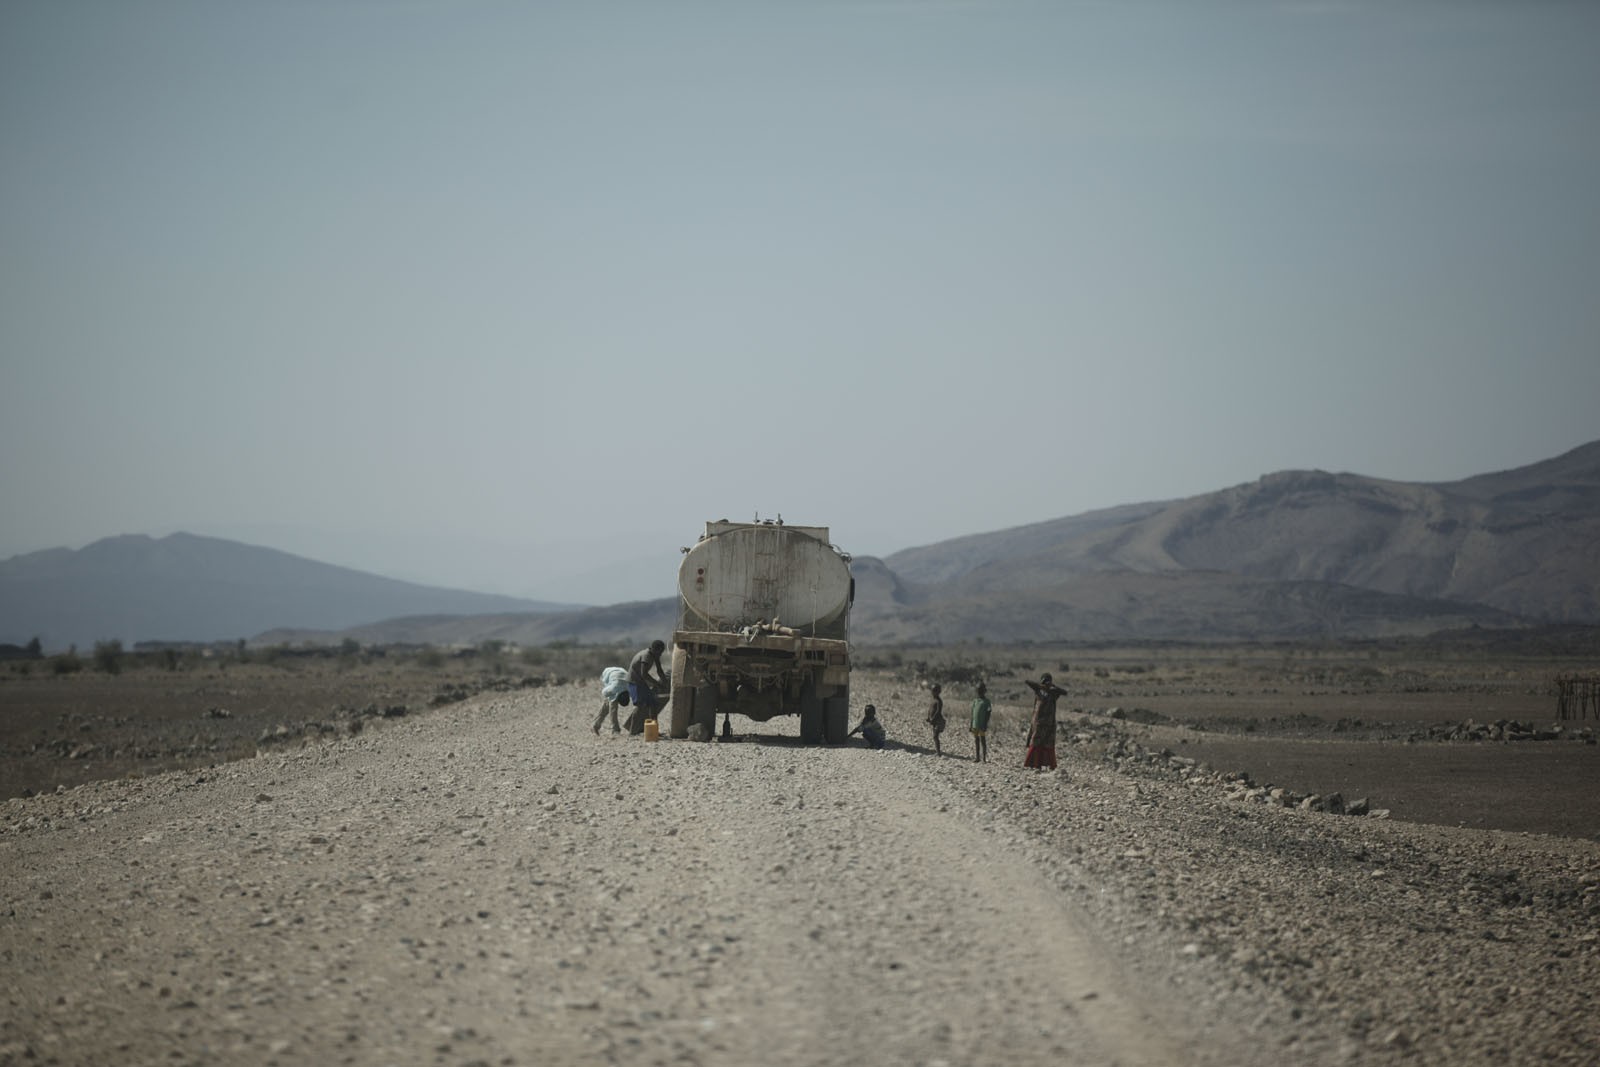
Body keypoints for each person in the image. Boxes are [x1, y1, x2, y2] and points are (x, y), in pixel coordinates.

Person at [1023, 672, 1066, 771]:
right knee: (1037, 743)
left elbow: (1064, 692)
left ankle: (1044, 765)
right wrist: (1043, 686)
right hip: (1041, 722)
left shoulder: (1053, 692)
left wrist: (1051, 687)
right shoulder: (1040, 690)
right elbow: (1028, 682)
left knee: (1047, 744)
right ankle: (1036, 765)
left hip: (1046, 723)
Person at [626, 639, 669, 734]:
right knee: (640, 705)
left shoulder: (654, 655)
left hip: (641, 682)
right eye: (660, 652)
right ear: (655, 650)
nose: (661, 654)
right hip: (634, 682)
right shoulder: (646, 656)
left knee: (653, 704)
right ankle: (632, 732)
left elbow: (659, 670)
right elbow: (644, 674)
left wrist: (665, 682)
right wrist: (657, 684)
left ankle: (653, 730)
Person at [593, 665, 631, 735]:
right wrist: (611, 696)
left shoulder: (630, 687)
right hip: (607, 674)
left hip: (620, 672)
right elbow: (604, 692)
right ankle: (615, 730)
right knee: (612, 708)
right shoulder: (614, 688)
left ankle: (595, 725)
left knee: (607, 706)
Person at [969, 682, 992, 763]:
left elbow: (989, 713)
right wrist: (971, 724)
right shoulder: (975, 701)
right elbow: (972, 713)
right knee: (976, 740)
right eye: (978, 691)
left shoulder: (987, 701)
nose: (979, 692)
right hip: (975, 725)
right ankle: (977, 757)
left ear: (984, 691)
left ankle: (984, 758)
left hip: (982, 725)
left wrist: (986, 723)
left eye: (981, 691)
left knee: (983, 740)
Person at [925, 683, 946, 756]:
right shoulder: (933, 700)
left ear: (938, 692)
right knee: (935, 736)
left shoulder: (939, 701)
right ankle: (938, 751)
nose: (933, 692)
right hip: (934, 721)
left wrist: (933, 719)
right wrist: (928, 717)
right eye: (932, 691)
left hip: (938, 721)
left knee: (935, 736)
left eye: (934, 691)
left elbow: (938, 711)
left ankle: (938, 752)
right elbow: (930, 709)